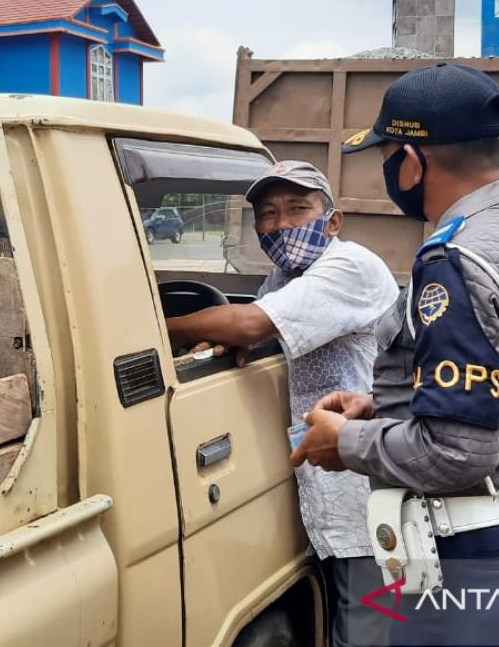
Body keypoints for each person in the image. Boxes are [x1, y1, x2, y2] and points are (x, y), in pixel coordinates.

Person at [291, 63, 499, 647]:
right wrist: (383, 406)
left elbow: (455, 452)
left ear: (413, 160)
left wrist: (341, 444)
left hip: (469, 565)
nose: (387, 174)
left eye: (387, 157)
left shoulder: (455, 264)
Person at [166, 160, 397, 647]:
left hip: (362, 486)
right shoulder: (283, 277)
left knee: (368, 627)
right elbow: (261, 330)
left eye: (298, 208)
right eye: (268, 214)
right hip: (323, 481)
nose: (282, 224)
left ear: (332, 221)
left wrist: (160, 325)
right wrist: (223, 338)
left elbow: (251, 324)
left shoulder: (349, 266)